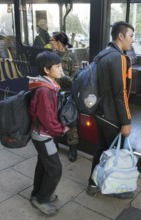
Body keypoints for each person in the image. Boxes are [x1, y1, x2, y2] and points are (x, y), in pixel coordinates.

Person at [86, 21, 134, 198]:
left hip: (99, 112)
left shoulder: (102, 54)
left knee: (102, 148)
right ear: (120, 36)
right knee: (115, 153)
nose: (132, 41)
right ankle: (114, 187)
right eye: (130, 36)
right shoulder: (118, 58)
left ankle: (93, 184)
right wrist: (126, 121)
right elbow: (120, 93)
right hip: (112, 116)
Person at [28, 51, 69, 216]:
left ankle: (37, 194)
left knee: (44, 165)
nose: (61, 69)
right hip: (43, 136)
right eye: (57, 66)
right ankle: (42, 199)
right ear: (46, 70)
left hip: (42, 134)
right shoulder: (45, 91)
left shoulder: (47, 85)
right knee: (55, 169)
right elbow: (47, 120)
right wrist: (62, 129)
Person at [50, 32, 80, 162]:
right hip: (52, 94)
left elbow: (76, 80)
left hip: (67, 96)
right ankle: (54, 144)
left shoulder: (71, 58)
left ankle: (73, 149)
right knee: (53, 120)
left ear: (59, 42)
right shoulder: (51, 57)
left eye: (52, 40)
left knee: (70, 122)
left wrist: (63, 77)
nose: (50, 42)